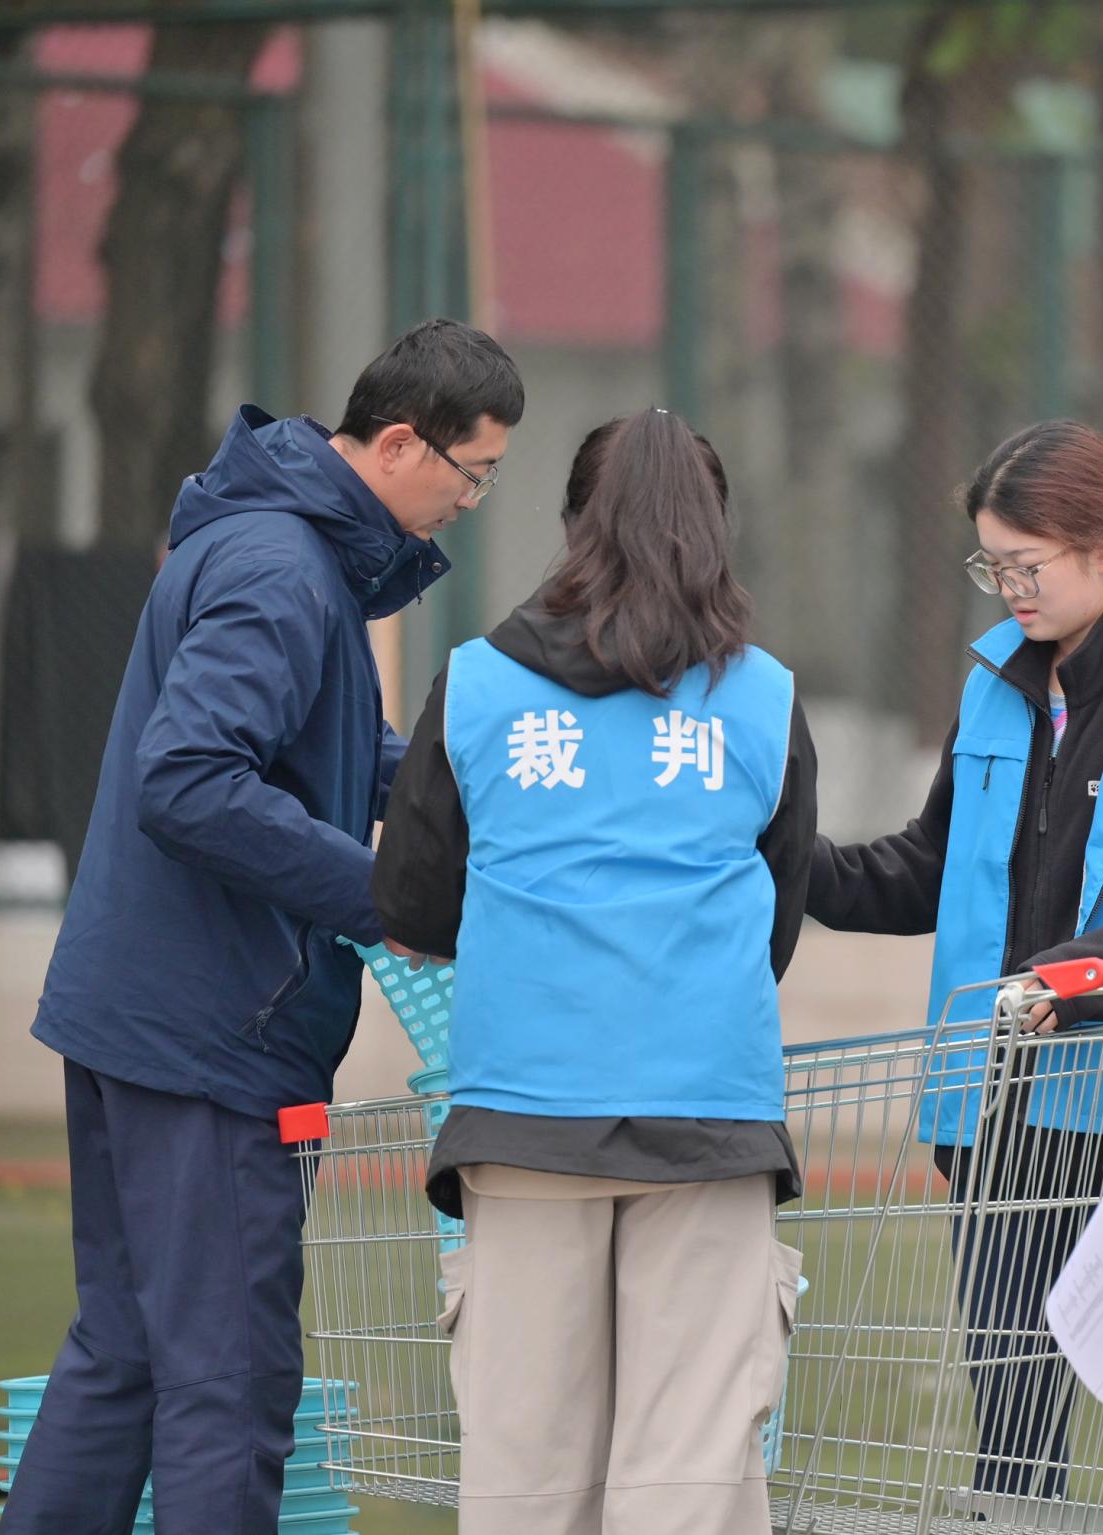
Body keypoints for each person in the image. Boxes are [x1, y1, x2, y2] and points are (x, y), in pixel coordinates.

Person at [3, 319, 524, 1535]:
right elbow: (189, 779)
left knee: (125, 1352)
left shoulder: (276, 544)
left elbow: (329, 750)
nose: (472, 500)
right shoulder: (284, 570)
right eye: (473, 472)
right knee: (226, 1379)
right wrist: (383, 897)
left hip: (142, 1009)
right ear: (399, 445)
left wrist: (484, 795)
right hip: (210, 1030)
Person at [370, 407, 817, 1535]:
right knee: (688, 1476)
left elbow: (412, 909)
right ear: (714, 532)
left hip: (523, 1114)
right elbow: (774, 923)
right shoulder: (765, 697)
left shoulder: (476, 684)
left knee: (526, 1472)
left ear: (574, 524)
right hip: (709, 1115)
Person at [807, 420, 1103, 1531]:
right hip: (996, 1112)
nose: (1009, 588)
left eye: (1026, 563)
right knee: (1009, 1425)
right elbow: (929, 866)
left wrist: (1062, 974)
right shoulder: (997, 682)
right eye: (991, 564)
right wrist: (788, 863)